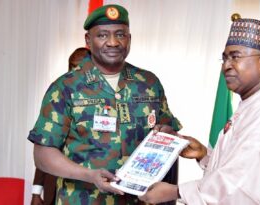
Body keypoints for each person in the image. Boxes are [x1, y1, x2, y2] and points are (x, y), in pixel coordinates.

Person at [138, 16, 260, 204]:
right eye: (225, 58)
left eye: (235, 57)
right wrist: (204, 154)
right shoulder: (252, 103)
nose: (226, 66)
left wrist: (176, 192)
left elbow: (239, 181)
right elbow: (246, 170)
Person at [28, 4, 181, 204]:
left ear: (129, 39)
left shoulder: (149, 83)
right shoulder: (65, 87)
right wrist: (89, 175)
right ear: (88, 40)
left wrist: (167, 133)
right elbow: (42, 154)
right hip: (83, 199)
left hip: (140, 200)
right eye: (102, 35)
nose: (113, 42)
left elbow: (168, 127)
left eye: (120, 34)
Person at [30, 47, 90, 205]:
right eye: (73, 66)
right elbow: (45, 146)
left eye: (81, 66)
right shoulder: (58, 94)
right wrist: (36, 192)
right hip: (54, 188)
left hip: (85, 191)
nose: (77, 71)